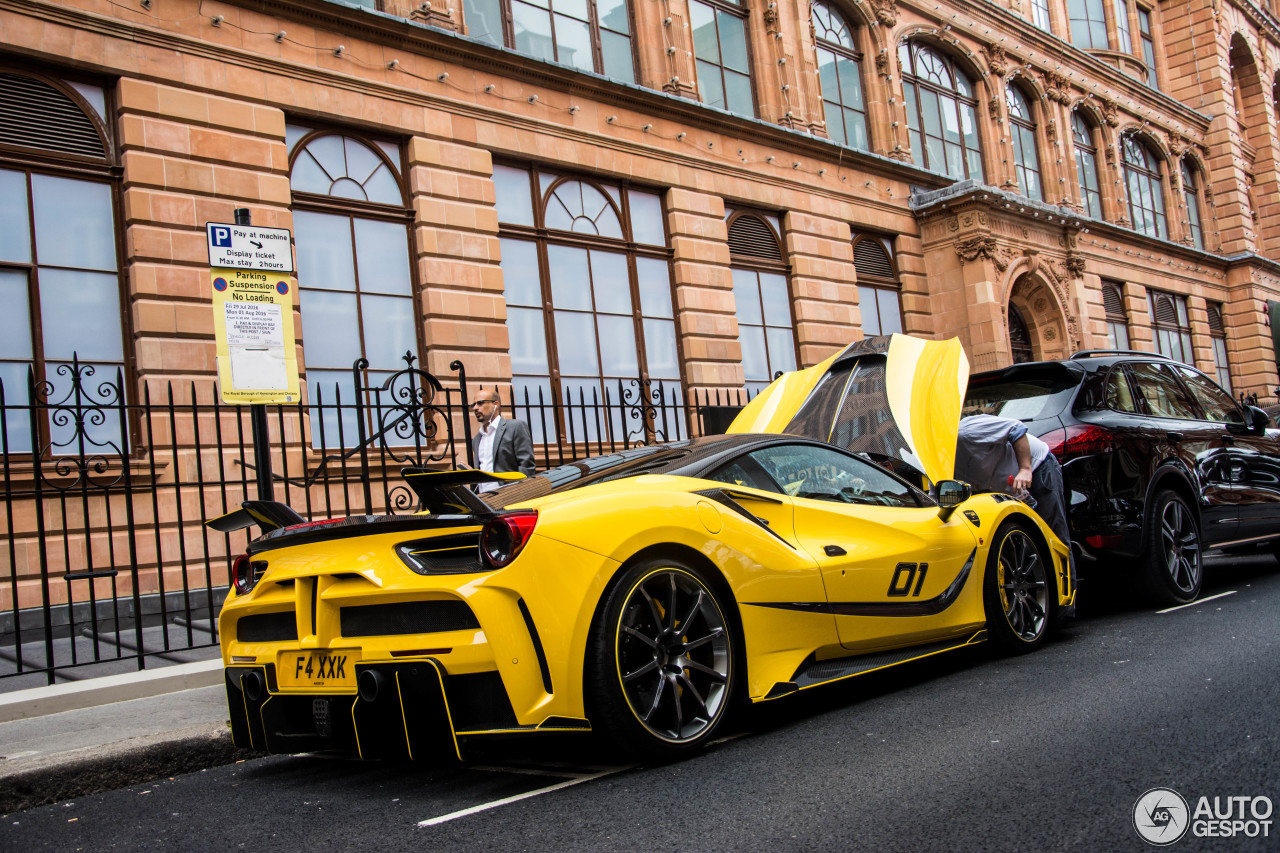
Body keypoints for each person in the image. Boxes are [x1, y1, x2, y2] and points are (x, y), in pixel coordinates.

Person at [954, 414, 1070, 551]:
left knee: (1054, 538)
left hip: (1036, 468)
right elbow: (936, 499)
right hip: (1009, 490)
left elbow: (1016, 429)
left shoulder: (966, 431)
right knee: (1023, 544)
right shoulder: (936, 461)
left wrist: (1025, 469)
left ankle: (1067, 571)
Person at [471, 389, 536, 493]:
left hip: (508, 495)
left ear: (495, 404)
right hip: (483, 498)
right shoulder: (477, 439)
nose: (475, 408)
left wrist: (517, 492)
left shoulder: (515, 427)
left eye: (480, 403)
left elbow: (526, 465)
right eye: (473, 405)